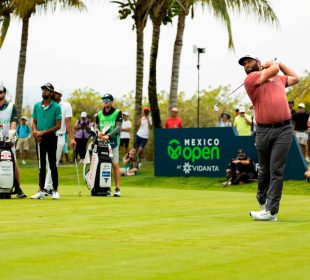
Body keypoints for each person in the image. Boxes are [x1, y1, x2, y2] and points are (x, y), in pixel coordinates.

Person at [239, 55, 299, 221]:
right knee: (264, 170)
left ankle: (271, 211)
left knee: (276, 169)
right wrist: (273, 64)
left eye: (249, 62)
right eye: (244, 64)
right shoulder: (251, 79)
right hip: (263, 131)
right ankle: (261, 196)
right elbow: (274, 69)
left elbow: (296, 78)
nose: (246, 66)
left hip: (284, 129)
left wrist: (280, 63)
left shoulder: (277, 79)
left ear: (258, 63)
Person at [31, 83, 62, 200]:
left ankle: (55, 190)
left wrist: (42, 132)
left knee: (52, 164)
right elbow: (34, 121)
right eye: (43, 90)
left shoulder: (56, 107)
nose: (44, 92)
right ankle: (41, 191)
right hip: (39, 138)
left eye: (47, 90)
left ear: (51, 93)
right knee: (41, 165)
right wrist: (35, 132)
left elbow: (58, 126)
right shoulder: (36, 106)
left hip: (51, 138)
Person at [44, 87, 76, 195]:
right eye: (53, 93)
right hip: (48, 136)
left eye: (56, 93)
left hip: (60, 137)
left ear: (60, 95)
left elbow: (68, 123)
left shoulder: (66, 105)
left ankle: (47, 187)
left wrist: (71, 138)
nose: (54, 95)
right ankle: (49, 187)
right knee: (48, 162)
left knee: (54, 162)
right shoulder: (49, 104)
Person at [0, 84, 27, 198]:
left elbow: (13, 123)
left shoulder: (11, 106)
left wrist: (11, 136)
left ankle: (18, 188)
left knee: (13, 162)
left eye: (0, 92)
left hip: (7, 140)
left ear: (4, 94)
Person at [96, 93, 123, 197]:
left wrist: (108, 135)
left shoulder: (117, 113)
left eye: (107, 99)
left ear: (111, 101)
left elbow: (118, 128)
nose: (105, 101)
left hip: (113, 142)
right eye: (104, 99)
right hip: (101, 143)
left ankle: (117, 188)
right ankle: (106, 188)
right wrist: (99, 133)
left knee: (115, 164)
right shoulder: (99, 114)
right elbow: (97, 127)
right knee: (103, 165)